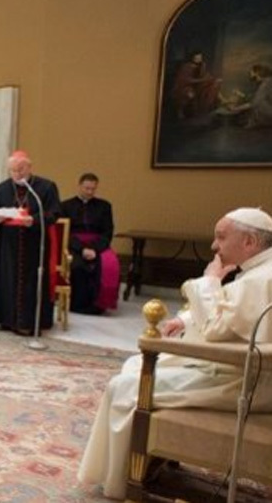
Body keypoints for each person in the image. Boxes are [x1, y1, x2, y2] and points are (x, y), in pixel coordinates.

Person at [78, 208, 272, 499]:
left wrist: (210, 280)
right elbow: (232, 317)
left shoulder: (259, 280)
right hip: (239, 368)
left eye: (221, 237)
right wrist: (186, 319)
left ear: (249, 242)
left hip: (240, 380)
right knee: (135, 365)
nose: (214, 246)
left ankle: (123, 480)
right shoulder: (260, 271)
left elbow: (217, 328)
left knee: (125, 386)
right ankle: (148, 461)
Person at [0, 150, 61, 335]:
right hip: (8, 245)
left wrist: (34, 220)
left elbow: (54, 213)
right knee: (7, 280)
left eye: (20, 169)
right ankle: (7, 320)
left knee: (31, 283)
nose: (17, 174)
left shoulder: (45, 187)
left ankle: (29, 323)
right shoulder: (2, 188)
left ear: (29, 167)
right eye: (13, 170)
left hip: (34, 244)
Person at [60, 173, 120, 315]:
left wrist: (94, 249)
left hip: (98, 244)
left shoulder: (104, 206)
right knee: (78, 266)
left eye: (93, 189)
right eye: (87, 188)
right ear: (79, 186)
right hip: (74, 245)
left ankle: (99, 305)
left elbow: (108, 231)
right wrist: (81, 249)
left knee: (109, 265)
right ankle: (78, 305)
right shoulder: (65, 206)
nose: (90, 192)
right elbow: (65, 232)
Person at [169, 51, 222, 120]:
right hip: (184, 86)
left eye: (200, 58)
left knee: (213, 86)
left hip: (197, 86)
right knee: (189, 93)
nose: (199, 59)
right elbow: (185, 80)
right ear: (192, 58)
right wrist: (202, 80)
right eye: (197, 58)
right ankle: (181, 112)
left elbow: (206, 76)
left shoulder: (202, 66)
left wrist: (213, 80)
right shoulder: (187, 66)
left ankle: (204, 111)